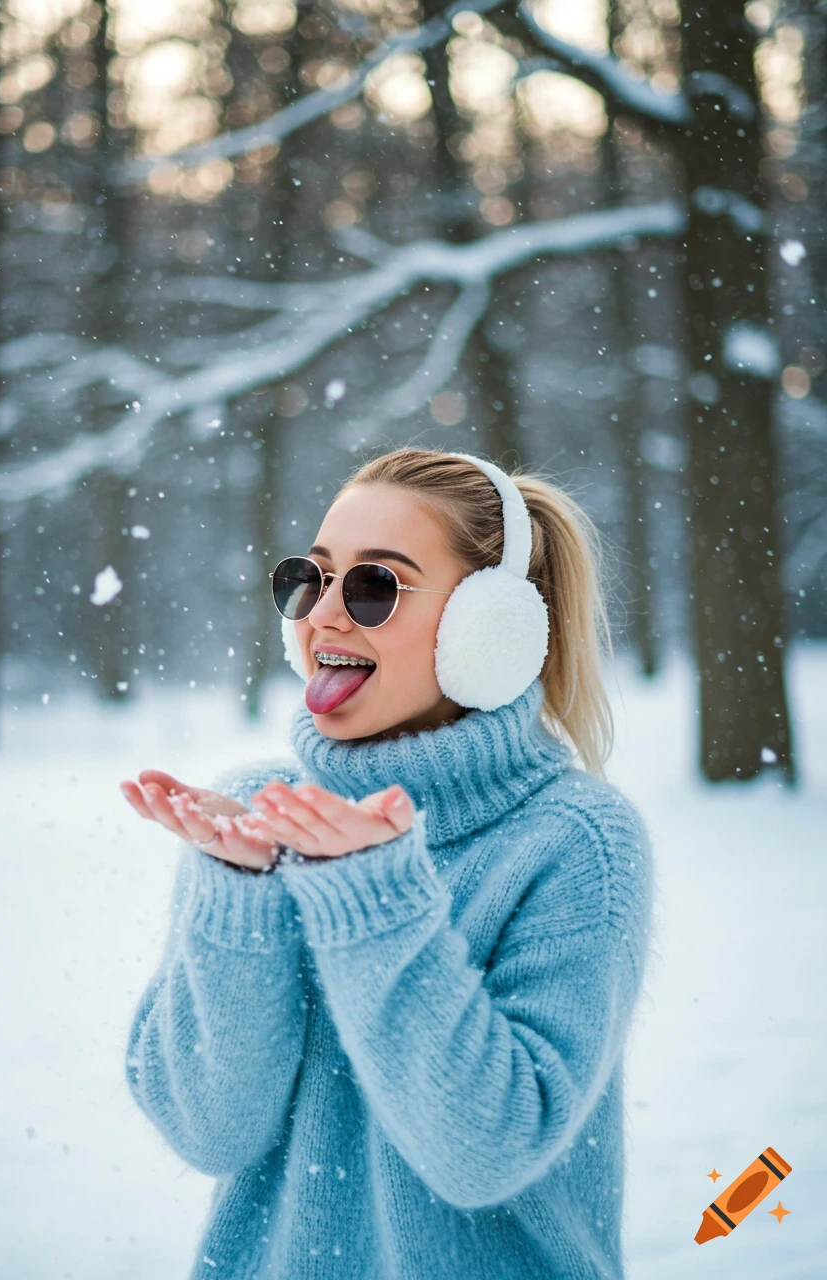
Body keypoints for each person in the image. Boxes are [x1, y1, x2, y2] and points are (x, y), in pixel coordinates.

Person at [119, 446, 655, 1280]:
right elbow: (211, 1130)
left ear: (489, 626)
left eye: (374, 587)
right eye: (312, 576)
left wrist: (376, 901)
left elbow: (484, 1152)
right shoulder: (260, 815)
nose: (323, 615)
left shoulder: (573, 842)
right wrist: (244, 897)